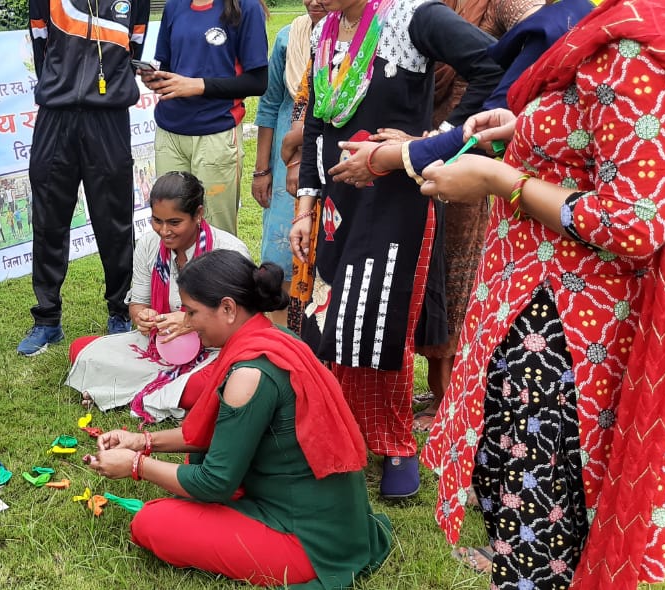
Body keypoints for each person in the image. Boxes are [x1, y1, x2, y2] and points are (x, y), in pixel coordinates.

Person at [419, 1, 665, 587]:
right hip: (539, 319)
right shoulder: (607, 26)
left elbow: (634, 223)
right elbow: (595, 144)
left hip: (564, 345)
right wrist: (523, 131)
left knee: (540, 541)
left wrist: (497, 179)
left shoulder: (630, 49)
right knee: (522, 522)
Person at [326, 0, 593, 437]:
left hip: (476, 161)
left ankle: (452, 396)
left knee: (453, 281)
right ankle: (439, 393)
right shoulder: (403, 9)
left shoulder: (516, 5)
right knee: (424, 282)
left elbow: (527, 68)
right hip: (428, 161)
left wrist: (436, 137)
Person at [288, 0, 502, 499]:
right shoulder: (327, 30)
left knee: (381, 321)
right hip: (339, 206)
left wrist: (432, 144)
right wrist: (306, 205)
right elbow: (320, 122)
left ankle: (396, 445)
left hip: (396, 200)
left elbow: (495, 65)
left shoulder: (413, 16)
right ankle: (341, 432)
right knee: (333, 320)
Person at [87, 249, 392, 587]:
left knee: (151, 522)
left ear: (228, 308)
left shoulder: (249, 374)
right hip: (332, 519)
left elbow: (214, 483)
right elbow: (211, 433)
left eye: (192, 312)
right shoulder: (275, 337)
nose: (186, 323)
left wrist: (136, 466)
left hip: (307, 541)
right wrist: (142, 441)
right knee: (194, 465)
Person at [18, 0, 151, 355]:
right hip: (55, 115)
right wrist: (63, 85)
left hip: (108, 119)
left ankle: (120, 311)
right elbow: (40, 44)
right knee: (48, 221)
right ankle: (47, 318)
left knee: (115, 222)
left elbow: (132, 50)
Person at [65, 172, 251, 422]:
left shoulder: (229, 250)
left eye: (175, 222)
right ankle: (164, 393)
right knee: (82, 350)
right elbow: (138, 303)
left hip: (215, 351)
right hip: (160, 348)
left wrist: (189, 322)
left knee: (210, 383)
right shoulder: (149, 244)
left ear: (198, 214)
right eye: (157, 221)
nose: (164, 231)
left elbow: (243, 323)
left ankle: (149, 390)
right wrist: (144, 317)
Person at [145, 0, 268, 237]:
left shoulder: (246, 7)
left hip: (216, 132)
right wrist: (155, 78)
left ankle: (218, 276)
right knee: (169, 229)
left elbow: (258, 82)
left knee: (215, 232)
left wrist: (198, 86)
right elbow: (167, 66)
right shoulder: (174, 6)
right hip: (169, 133)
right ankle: (174, 276)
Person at [252, 0, 325, 327]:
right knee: (282, 258)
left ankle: (314, 348)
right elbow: (269, 106)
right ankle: (281, 341)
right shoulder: (288, 38)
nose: (315, 1)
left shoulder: (361, 42)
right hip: (286, 170)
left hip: (331, 161)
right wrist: (262, 170)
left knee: (324, 258)